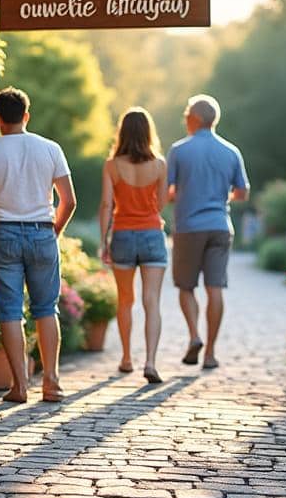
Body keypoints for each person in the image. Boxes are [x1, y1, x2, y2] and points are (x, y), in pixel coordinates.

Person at [0, 87, 76, 403]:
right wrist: (53, 230)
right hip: (43, 231)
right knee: (46, 308)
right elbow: (68, 200)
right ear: (26, 116)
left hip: (3, 233)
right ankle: (52, 382)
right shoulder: (51, 149)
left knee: (10, 311)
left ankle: (19, 386)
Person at [166, 94, 249, 370]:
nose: (185, 120)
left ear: (195, 119)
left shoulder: (179, 150)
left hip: (189, 227)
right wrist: (223, 197)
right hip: (220, 227)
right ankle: (211, 353)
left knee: (186, 286)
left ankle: (194, 336)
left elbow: (167, 192)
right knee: (216, 288)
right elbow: (243, 192)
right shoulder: (231, 151)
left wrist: (184, 194)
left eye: (187, 115)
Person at [97, 107, 168, 383]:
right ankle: (150, 362)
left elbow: (106, 204)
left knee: (126, 300)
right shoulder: (160, 164)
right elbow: (161, 204)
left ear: (122, 132)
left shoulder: (112, 165)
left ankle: (126, 358)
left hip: (123, 236)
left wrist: (104, 241)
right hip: (151, 234)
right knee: (152, 301)